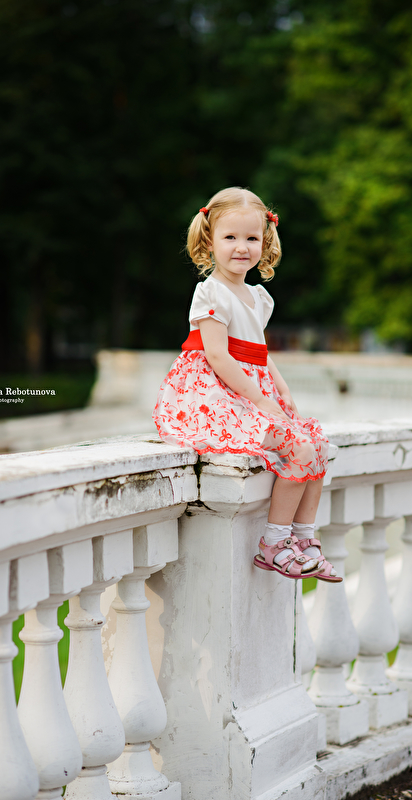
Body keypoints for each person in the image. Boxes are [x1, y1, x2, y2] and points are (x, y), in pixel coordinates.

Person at [153, 187, 341, 582]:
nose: (242, 247)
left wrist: (281, 389)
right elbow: (219, 356)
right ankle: (274, 543)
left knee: (317, 446)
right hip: (213, 395)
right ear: (210, 241)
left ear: (264, 242)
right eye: (230, 237)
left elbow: (258, 352)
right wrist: (260, 399)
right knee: (299, 448)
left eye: (252, 238)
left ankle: (304, 539)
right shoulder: (211, 292)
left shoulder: (259, 297)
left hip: (248, 390)